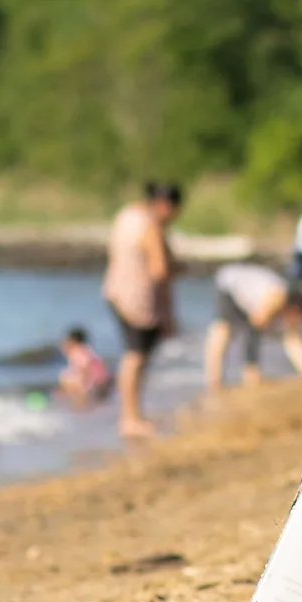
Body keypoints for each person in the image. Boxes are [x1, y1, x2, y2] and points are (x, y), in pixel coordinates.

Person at [103, 180, 181, 437]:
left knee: (132, 356)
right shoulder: (151, 226)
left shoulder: (126, 215)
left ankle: (130, 415)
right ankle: (130, 418)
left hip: (115, 291)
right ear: (166, 206)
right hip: (138, 299)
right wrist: (169, 312)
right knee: (136, 358)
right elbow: (161, 271)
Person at [204, 261, 302, 391]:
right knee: (223, 331)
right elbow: (253, 328)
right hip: (229, 286)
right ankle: (214, 382)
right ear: (296, 308)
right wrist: (252, 367)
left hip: (247, 295)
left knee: (247, 329)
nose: (297, 321)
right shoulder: (276, 297)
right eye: (298, 316)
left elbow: (293, 340)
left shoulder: (286, 304)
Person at [57, 326, 113, 408]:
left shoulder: (77, 352)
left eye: (65, 341)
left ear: (73, 342)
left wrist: (83, 388)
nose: (63, 344)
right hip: (103, 381)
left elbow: (85, 369)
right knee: (70, 375)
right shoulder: (87, 350)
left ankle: (81, 402)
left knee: (65, 376)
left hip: (94, 382)